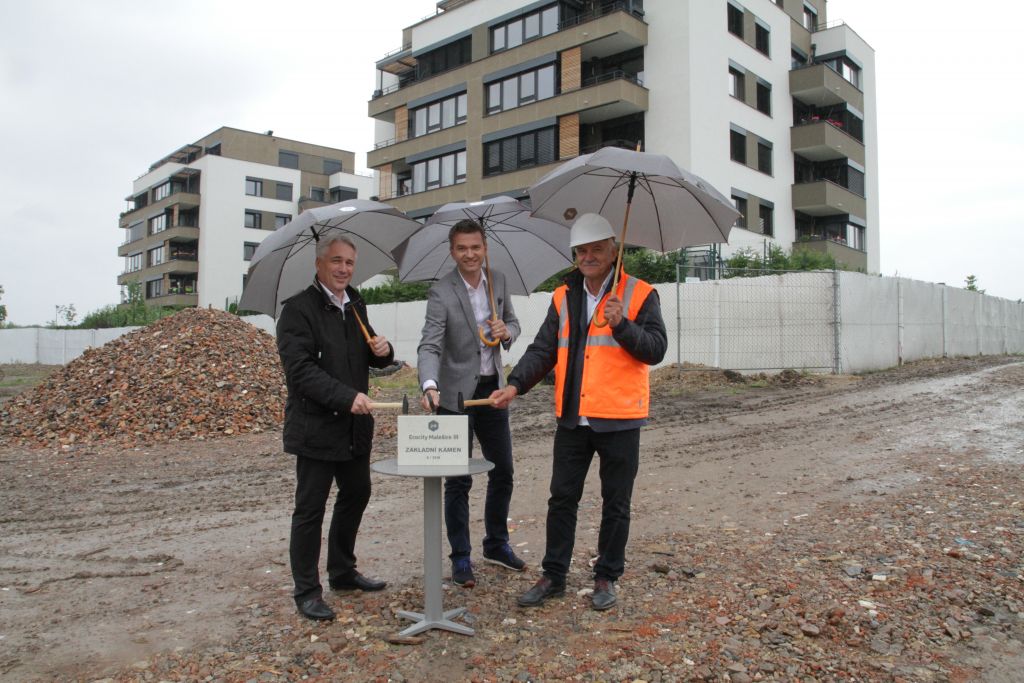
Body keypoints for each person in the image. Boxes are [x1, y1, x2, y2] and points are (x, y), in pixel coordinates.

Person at [490, 213, 667, 611]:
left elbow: (656, 350)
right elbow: (543, 349)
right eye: (582, 251)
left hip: (619, 416)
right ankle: (553, 575)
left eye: (596, 249)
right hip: (573, 416)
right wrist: (515, 385)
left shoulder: (639, 294)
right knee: (561, 498)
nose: (588, 256)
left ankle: (606, 576)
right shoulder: (563, 296)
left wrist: (623, 325)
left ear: (613, 251)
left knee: (616, 502)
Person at [276, 234, 394, 621]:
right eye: (336, 261)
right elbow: (300, 372)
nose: (344, 269)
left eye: (349, 263)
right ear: (319, 264)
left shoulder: (355, 303)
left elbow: (365, 354)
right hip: (316, 427)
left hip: (354, 427)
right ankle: (307, 591)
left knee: (357, 493)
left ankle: (342, 571)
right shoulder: (297, 310)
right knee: (310, 509)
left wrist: (383, 352)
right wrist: (345, 397)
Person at [417, 219, 526, 588]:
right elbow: (430, 344)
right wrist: (429, 384)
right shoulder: (441, 292)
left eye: (475, 247)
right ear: (452, 252)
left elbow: (513, 322)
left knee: (503, 470)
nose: (469, 254)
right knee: (458, 479)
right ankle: (460, 557)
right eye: (462, 248)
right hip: (454, 396)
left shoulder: (499, 281)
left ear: (484, 249)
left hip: (492, 391)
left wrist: (507, 331)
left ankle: (496, 545)